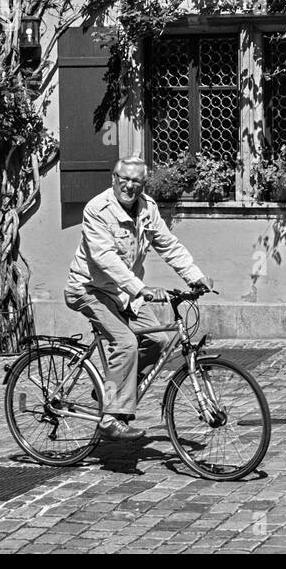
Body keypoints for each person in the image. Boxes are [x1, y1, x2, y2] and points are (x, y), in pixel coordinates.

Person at [64, 157, 213, 440]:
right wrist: (139, 288)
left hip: (124, 293)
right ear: (114, 178)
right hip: (90, 289)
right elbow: (104, 257)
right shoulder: (97, 209)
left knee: (160, 341)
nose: (129, 185)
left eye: (136, 181)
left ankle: (112, 388)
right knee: (126, 342)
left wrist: (195, 276)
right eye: (124, 178)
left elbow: (168, 245)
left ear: (143, 184)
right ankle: (110, 417)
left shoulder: (147, 208)